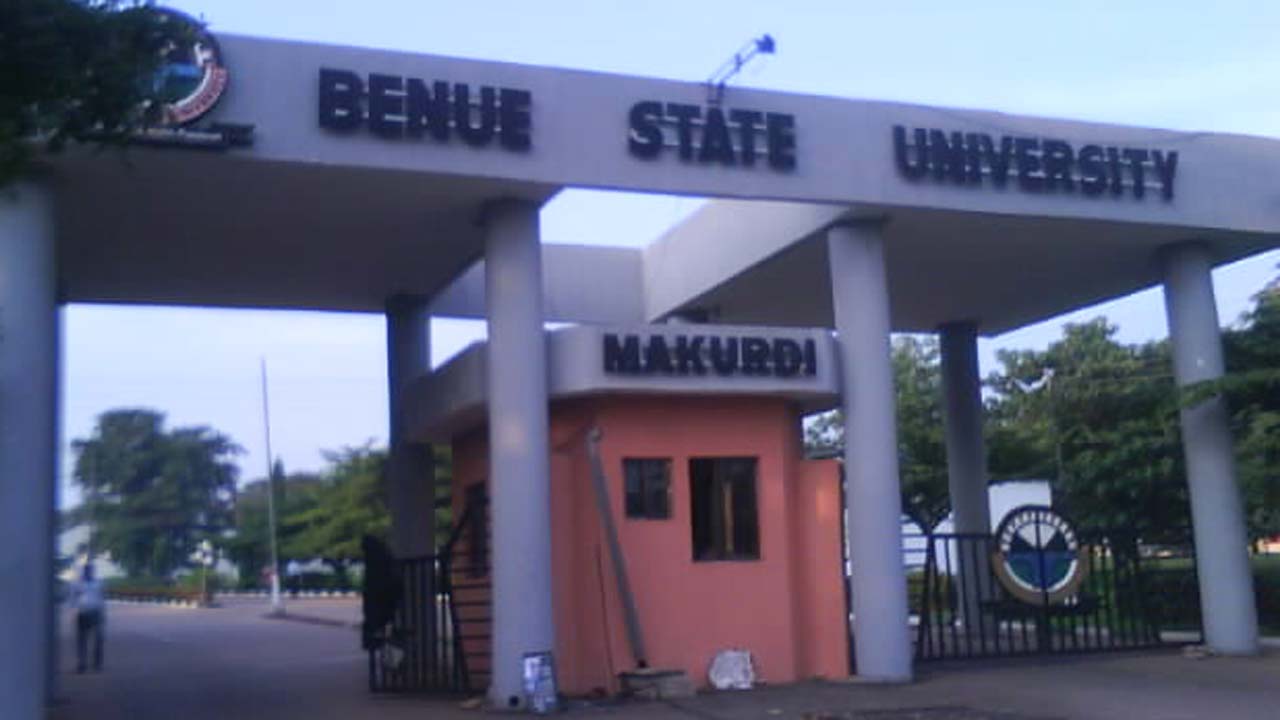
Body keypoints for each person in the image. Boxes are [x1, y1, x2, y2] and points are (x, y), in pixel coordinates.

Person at [71, 562, 106, 673]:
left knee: (98, 638)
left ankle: (97, 663)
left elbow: (102, 598)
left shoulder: (99, 583)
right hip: (82, 613)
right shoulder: (77, 584)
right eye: (86, 570)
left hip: (96, 612)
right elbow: (73, 599)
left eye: (90, 570)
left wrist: (103, 613)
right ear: (83, 571)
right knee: (81, 640)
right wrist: (73, 613)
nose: (88, 572)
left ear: (93, 571)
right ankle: (81, 663)